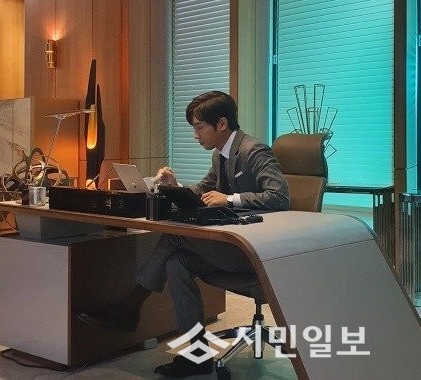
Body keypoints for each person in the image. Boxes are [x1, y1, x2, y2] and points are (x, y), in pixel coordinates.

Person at [79, 91, 290, 378]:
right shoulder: (220, 155)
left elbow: (279, 197)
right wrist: (174, 185)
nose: (195, 136)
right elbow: (203, 189)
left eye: (199, 128)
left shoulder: (254, 150)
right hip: (231, 245)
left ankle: (130, 306)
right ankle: (197, 355)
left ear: (222, 124)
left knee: (174, 237)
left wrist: (230, 199)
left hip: (254, 252)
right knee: (176, 262)